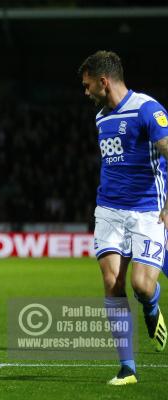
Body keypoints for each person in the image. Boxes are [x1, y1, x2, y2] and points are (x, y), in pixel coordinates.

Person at [79, 50, 168, 385]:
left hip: (147, 210)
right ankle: (127, 367)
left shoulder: (147, 109)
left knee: (141, 287)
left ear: (104, 81)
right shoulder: (101, 117)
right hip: (109, 210)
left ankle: (152, 306)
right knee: (112, 283)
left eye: (88, 85)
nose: (85, 91)